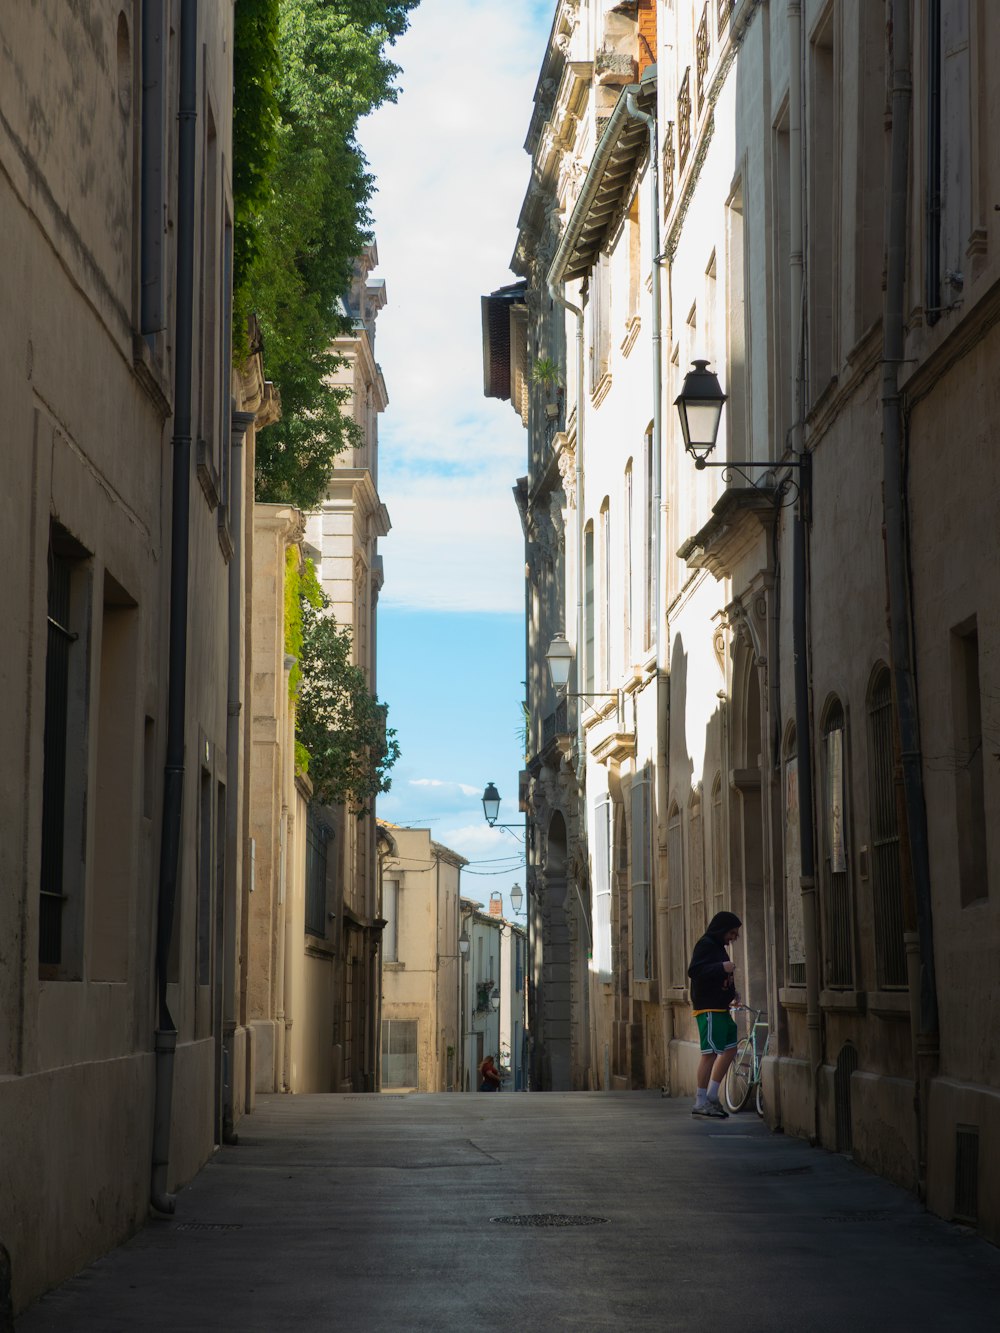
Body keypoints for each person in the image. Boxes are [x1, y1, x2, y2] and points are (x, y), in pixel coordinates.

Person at [687, 910, 742, 1118]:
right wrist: (722, 967)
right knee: (709, 1053)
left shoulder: (718, 946)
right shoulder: (706, 944)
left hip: (721, 1008)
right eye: (732, 933)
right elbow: (695, 971)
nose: (733, 938)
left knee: (730, 1049)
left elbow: (719, 974)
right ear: (722, 929)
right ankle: (700, 1101)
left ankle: (711, 1096)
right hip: (709, 1008)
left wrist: (732, 992)